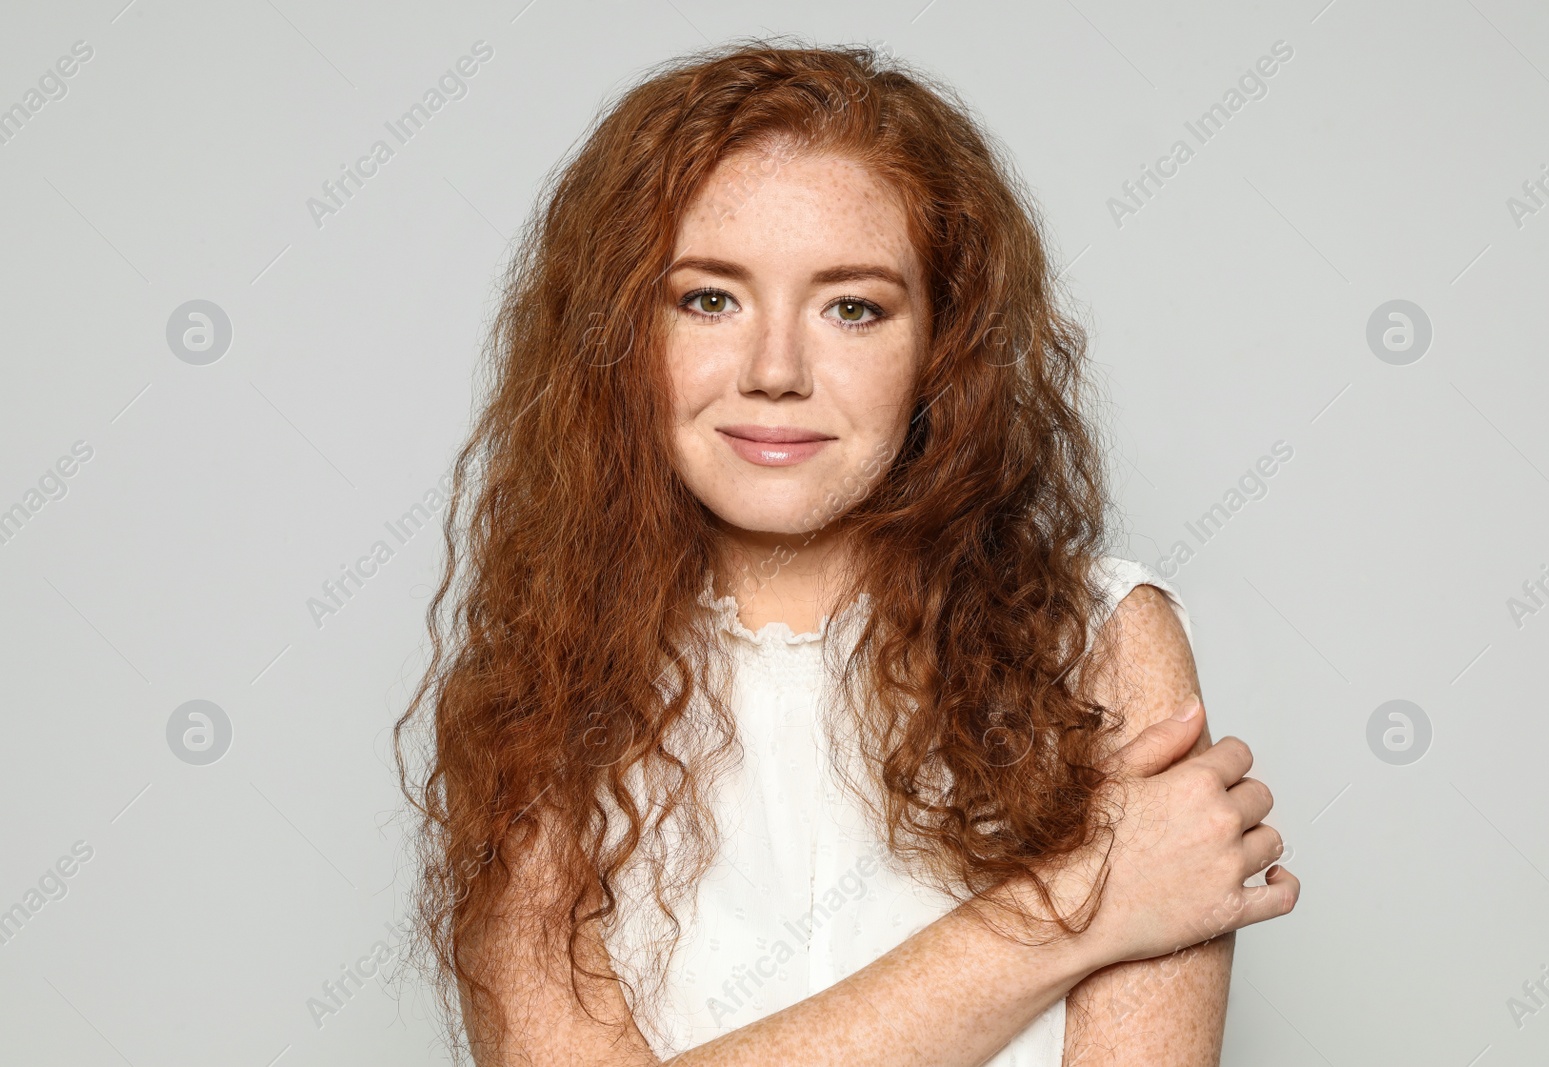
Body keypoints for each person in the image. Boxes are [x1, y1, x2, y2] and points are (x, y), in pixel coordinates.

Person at [394, 38, 1298, 1067]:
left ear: (939, 348)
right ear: (617, 337)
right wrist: (1072, 911)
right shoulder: (543, 675)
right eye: (708, 298)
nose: (775, 369)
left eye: (852, 307)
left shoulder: (1103, 638)